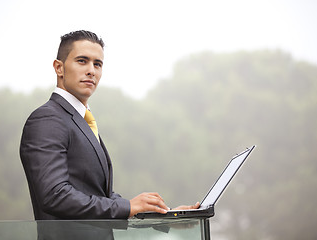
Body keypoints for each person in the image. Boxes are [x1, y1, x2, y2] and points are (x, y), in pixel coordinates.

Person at [20, 30, 199, 220]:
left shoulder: (82, 120)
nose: (92, 70)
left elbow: (98, 195)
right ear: (59, 68)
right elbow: (54, 195)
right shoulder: (48, 119)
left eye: (97, 64)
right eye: (82, 61)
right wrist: (127, 206)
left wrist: (165, 216)